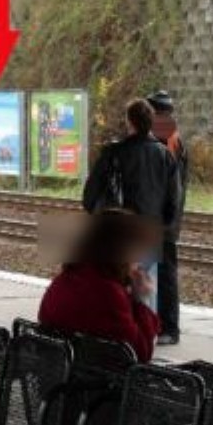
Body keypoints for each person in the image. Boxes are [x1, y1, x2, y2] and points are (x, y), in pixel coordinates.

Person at [81, 99, 180, 324]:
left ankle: (121, 335)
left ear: (130, 122)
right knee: (145, 288)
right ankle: (146, 334)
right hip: (150, 232)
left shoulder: (114, 153)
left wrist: (98, 217)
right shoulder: (165, 155)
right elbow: (173, 200)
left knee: (118, 289)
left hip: (119, 232)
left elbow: (90, 195)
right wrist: (162, 227)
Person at [39, 209, 161, 362]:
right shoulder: (108, 293)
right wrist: (142, 300)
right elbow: (141, 354)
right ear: (121, 251)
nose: (140, 260)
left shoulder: (64, 280)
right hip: (93, 374)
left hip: (59, 369)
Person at [146, 89, 188, 345]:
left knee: (165, 274)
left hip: (163, 219)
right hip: (165, 217)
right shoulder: (172, 137)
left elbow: (169, 184)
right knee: (160, 272)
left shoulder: (167, 139)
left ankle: (169, 328)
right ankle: (162, 325)